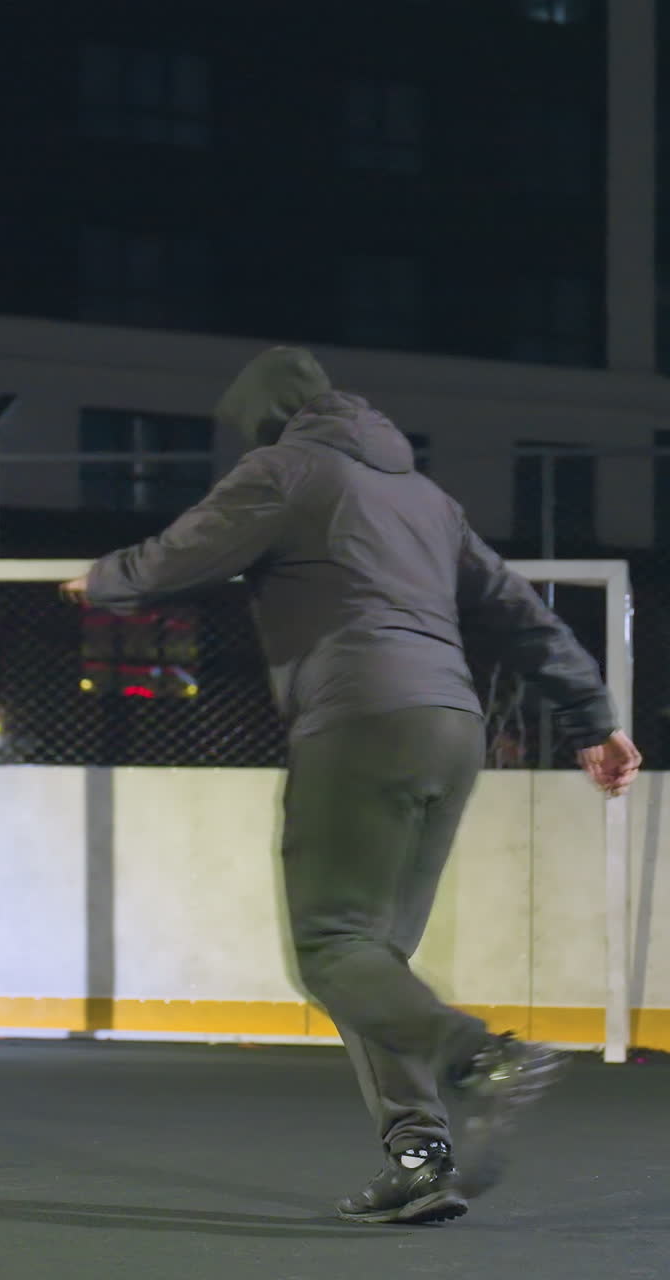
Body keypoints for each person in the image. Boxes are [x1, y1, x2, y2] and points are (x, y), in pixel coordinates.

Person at [61, 347, 641, 1226]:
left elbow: (191, 548)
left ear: (268, 419)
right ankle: (419, 1158)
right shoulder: (426, 500)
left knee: (332, 946)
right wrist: (592, 717)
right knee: (373, 962)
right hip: (450, 729)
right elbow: (520, 613)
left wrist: (104, 579)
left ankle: (482, 1057)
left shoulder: (288, 469)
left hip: (362, 719)